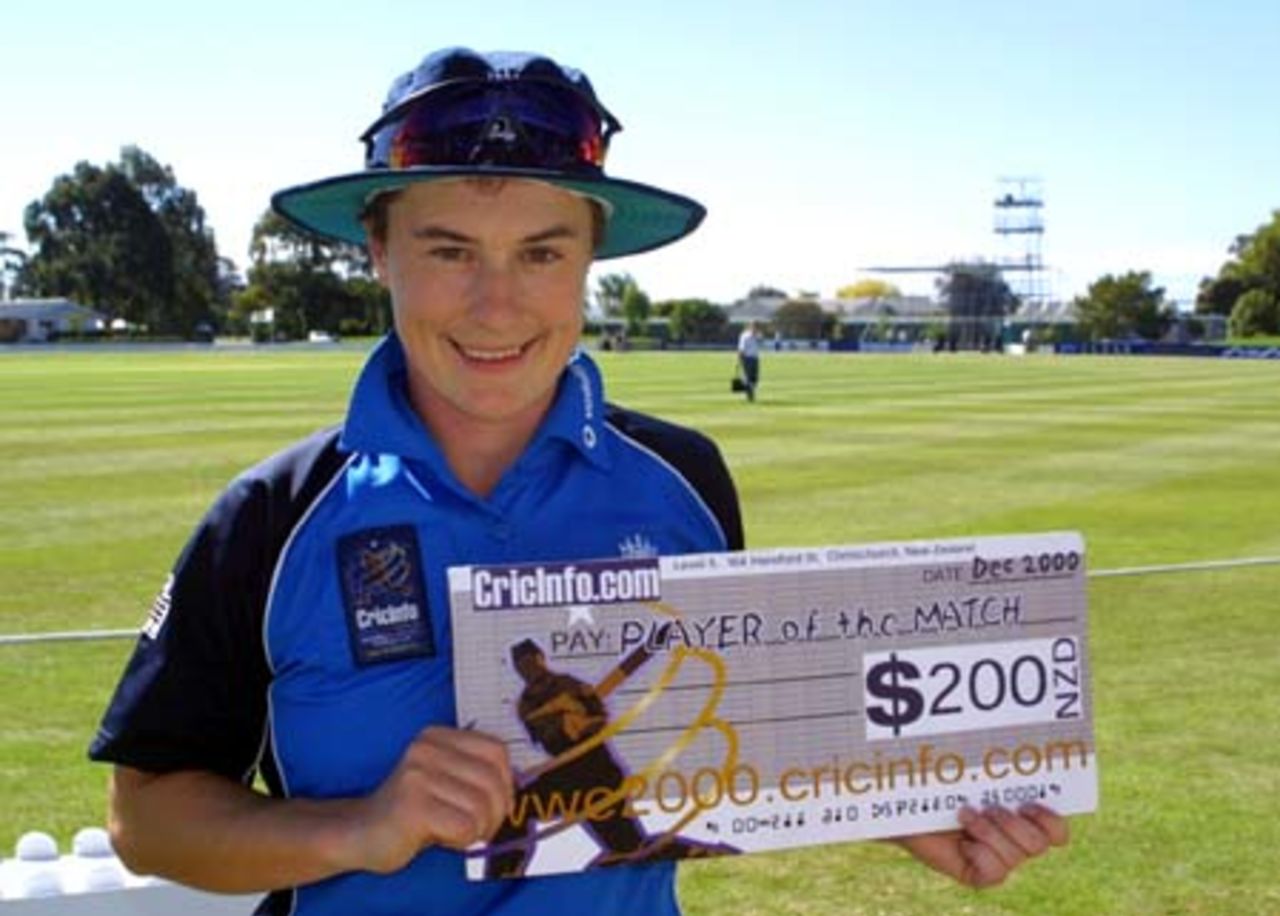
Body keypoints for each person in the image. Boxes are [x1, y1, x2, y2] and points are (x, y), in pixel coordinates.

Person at [87, 47, 1068, 916]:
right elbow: (148, 817)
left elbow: (724, 743)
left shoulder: (682, 481)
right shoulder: (274, 514)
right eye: (448, 250)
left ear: (588, 258)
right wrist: (355, 828)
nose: (495, 301)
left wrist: (906, 810)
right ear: (376, 249)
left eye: (540, 252)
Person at [736, 320, 761, 401]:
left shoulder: (757, 336)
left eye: (756, 327)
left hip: (755, 358)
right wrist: (739, 360)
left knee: (755, 378)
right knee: (748, 377)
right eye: (753, 326)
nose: (755, 328)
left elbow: (760, 344)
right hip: (747, 358)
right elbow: (741, 349)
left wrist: (757, 337)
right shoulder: (745, 336)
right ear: (749, 326)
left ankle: (748, 388)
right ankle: (749, 394)